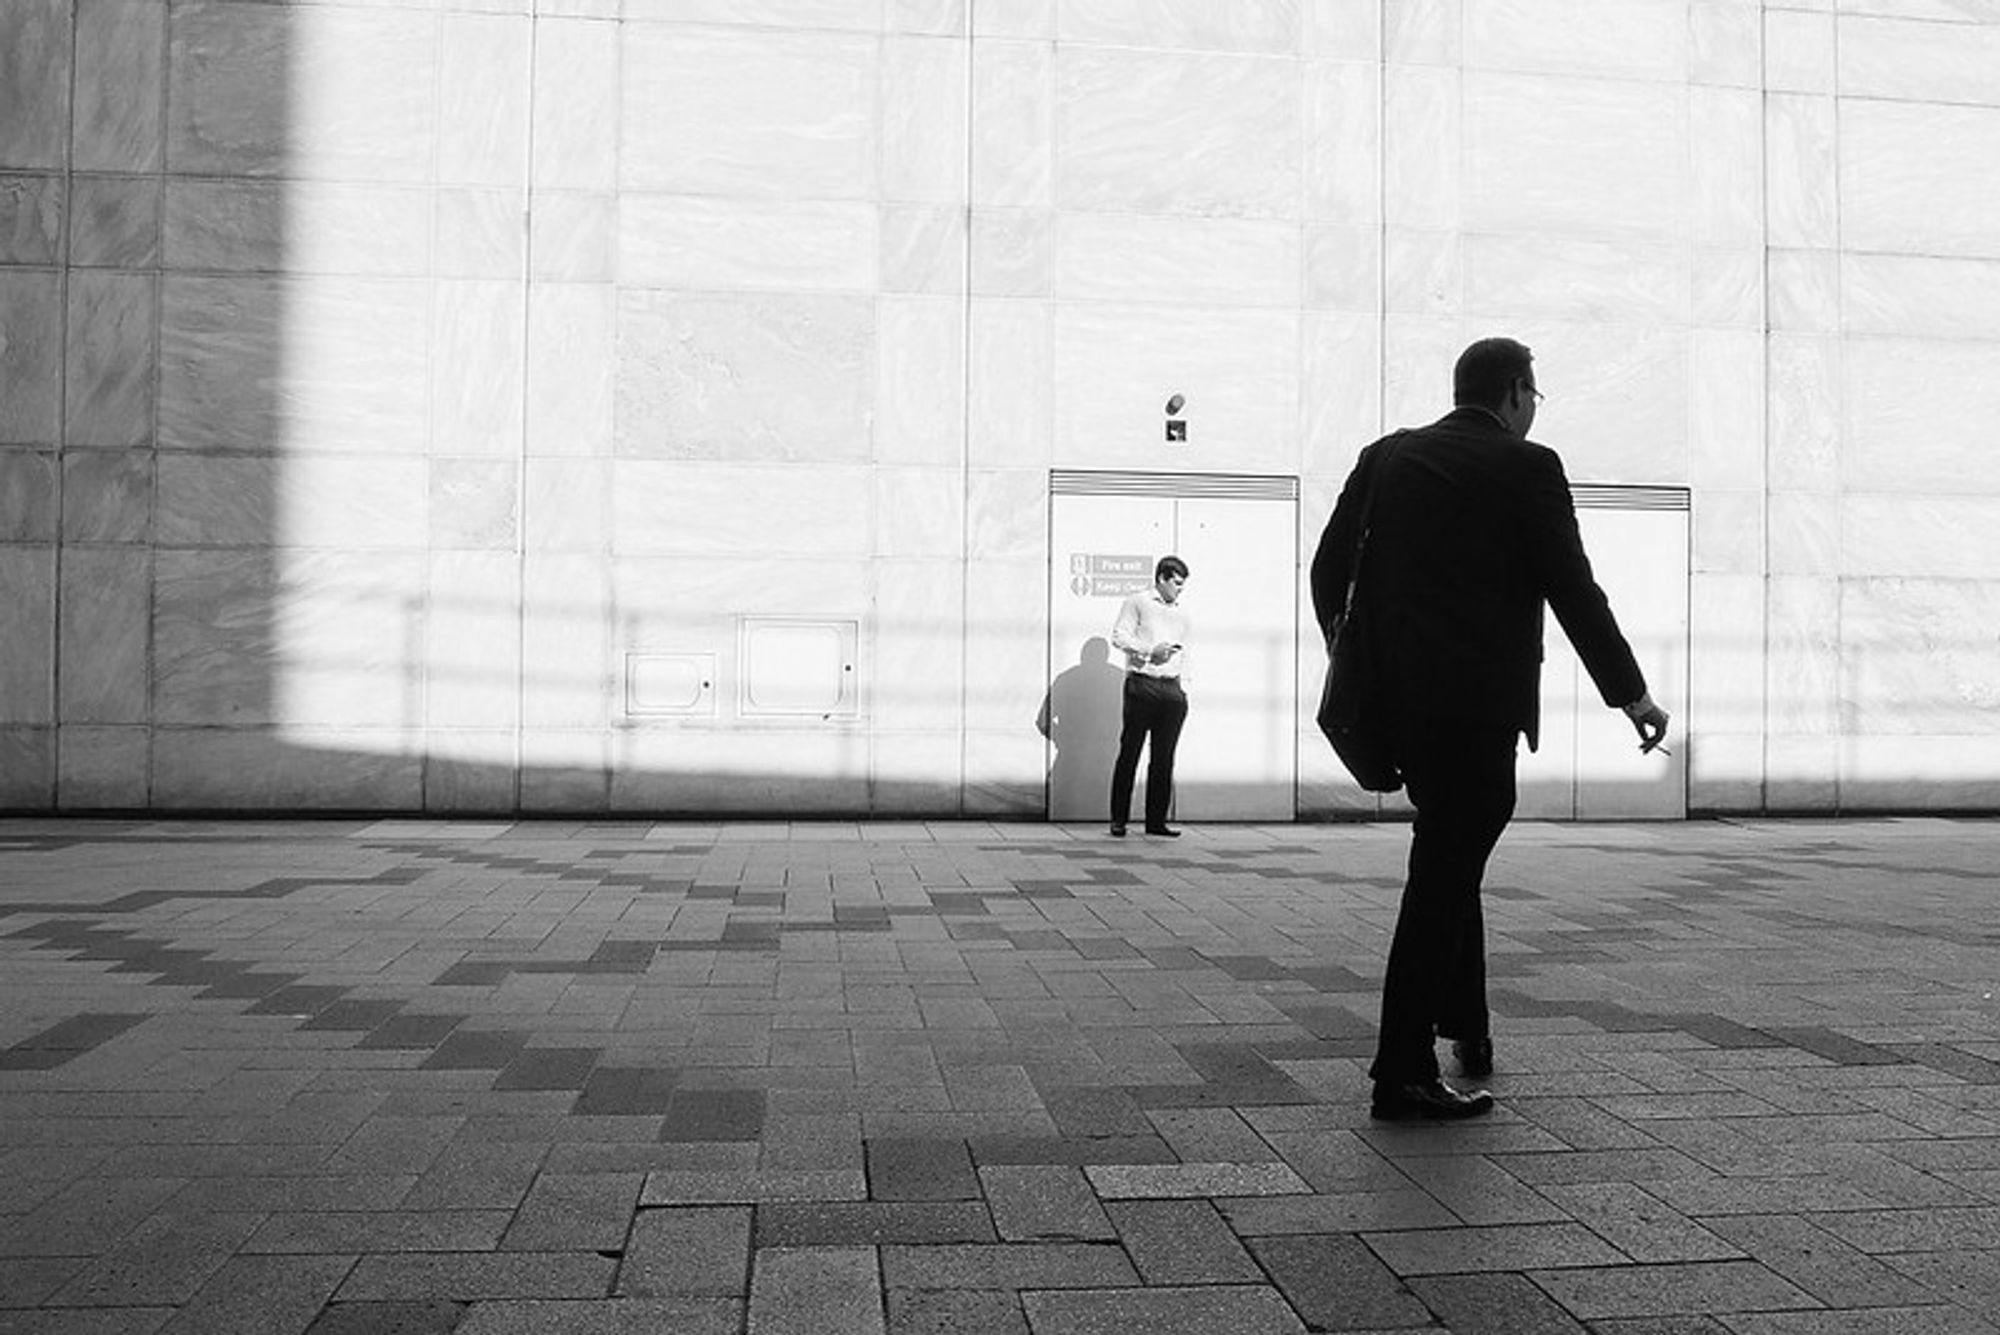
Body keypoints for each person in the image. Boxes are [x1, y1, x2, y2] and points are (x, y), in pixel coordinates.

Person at [1311, 338, 1669, 1121]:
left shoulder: (1386, 457)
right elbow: (1573, 588)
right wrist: (1632, 694)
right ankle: (1400, 1070)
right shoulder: (1527, 467)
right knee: (1442, 871)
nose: (1535, 408)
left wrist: (1359, 655)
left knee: (1447, 851)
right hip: (1477, 713)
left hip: (1401, 708)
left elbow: (1325, 570)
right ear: (1514, 392)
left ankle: (1466, 1025)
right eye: (1534, 394)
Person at [1108, 556, 1191, 838]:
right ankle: (1119, 819)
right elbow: (1119, 636)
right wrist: (1149, 651)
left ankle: (1156, 821)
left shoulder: (1181, 612)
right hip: (1142, 684)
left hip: (1172, 687)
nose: (1180, 589)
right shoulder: (1138, 602)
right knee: (1130, 752)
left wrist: (1183, 686)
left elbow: (1187, 651)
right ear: (1161, 579)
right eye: (1176, 583)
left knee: (1164, 758)